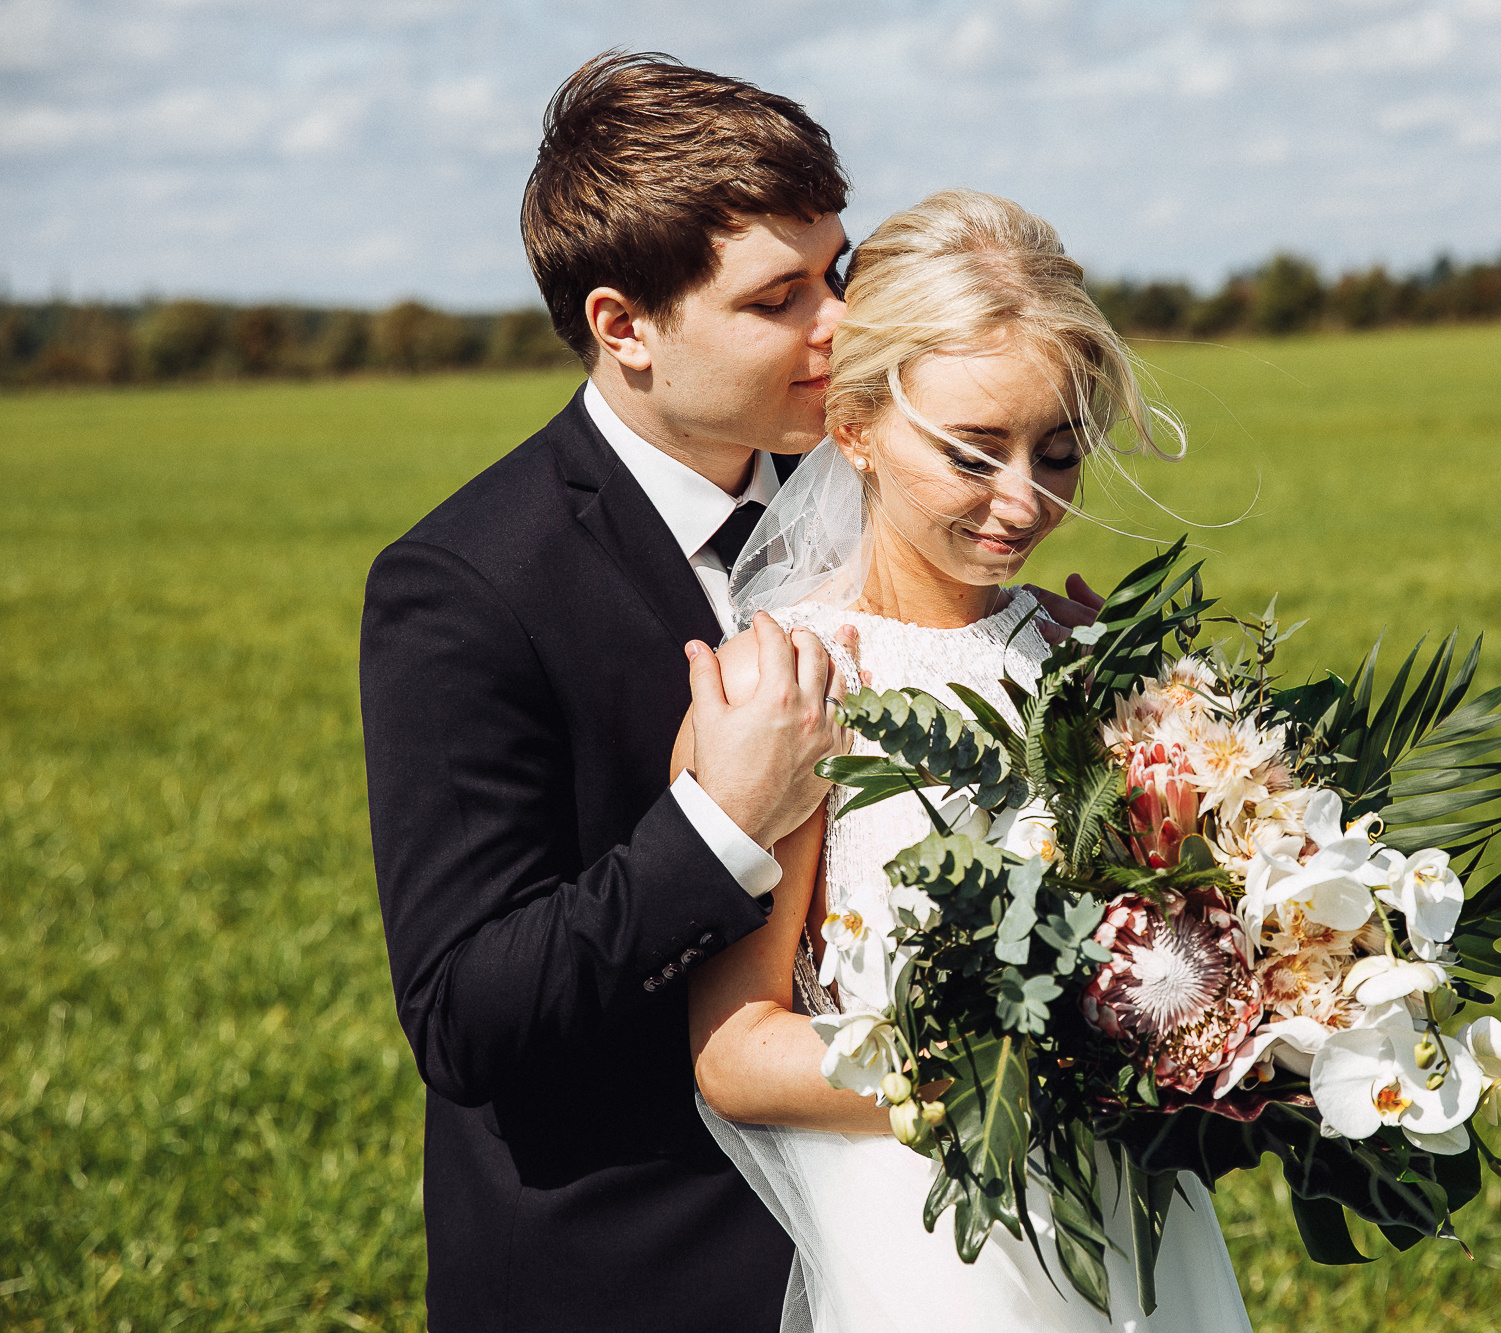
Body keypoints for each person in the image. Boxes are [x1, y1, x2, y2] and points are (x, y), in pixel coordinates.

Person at [680, 190, 1254, 1333]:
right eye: (973, 451)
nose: (1022, 500)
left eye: (1057, 451)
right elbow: (735, 1052)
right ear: (852, 427)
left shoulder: (1083, 656)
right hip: (930, 1233)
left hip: (1123, 1213)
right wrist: (990, 1066)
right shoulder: (794, 684)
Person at [358, 53, 852, 1332]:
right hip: (632, 1276)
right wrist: (718, 830)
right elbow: (465, 1014)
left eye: (836, 274)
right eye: (778, 297)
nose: (838, 325)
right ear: (623, 325)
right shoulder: (462, 586)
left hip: (882, 1239)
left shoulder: (859, 506)